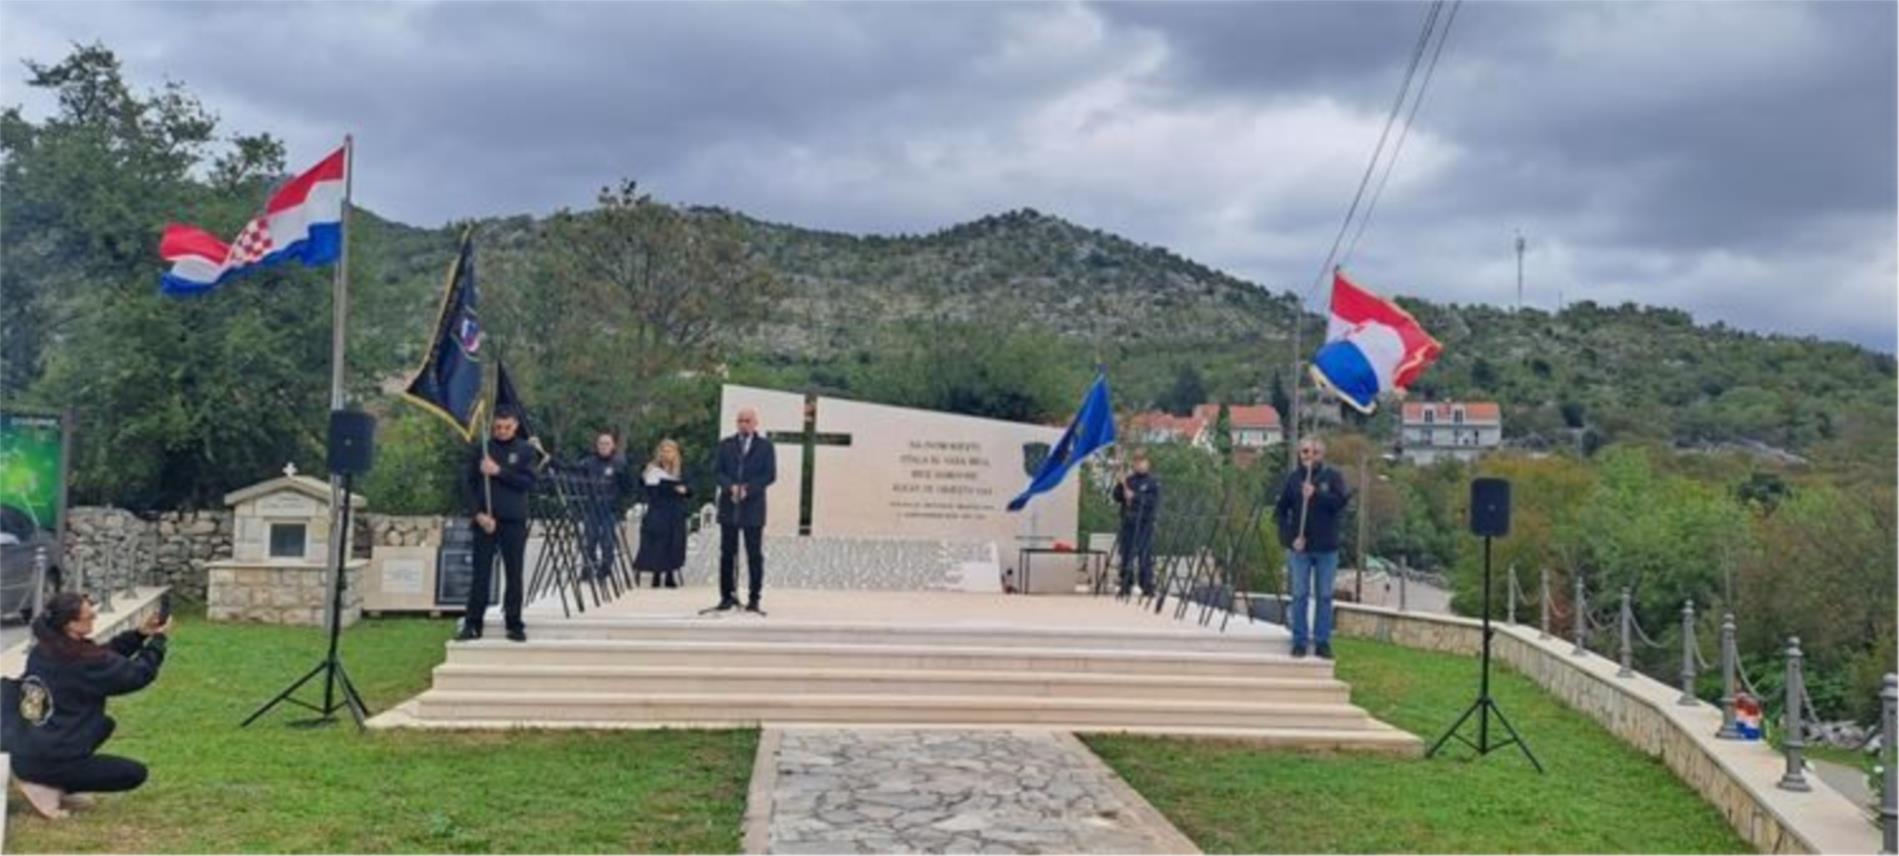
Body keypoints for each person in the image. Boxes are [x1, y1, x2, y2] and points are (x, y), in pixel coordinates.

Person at [4, 592, 168, 819]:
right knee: (134, 774)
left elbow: (102, 656)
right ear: (70, 624)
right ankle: (45, 783)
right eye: (89, 616)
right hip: (49, 758)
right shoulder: (80, 661)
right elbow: (136, 675)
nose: (94, 618)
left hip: (27, 746)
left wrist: (139, 635)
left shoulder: (46, 650)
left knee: (103, 724)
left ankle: (47, 779)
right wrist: (158, 642)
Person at [459, 407, 538, 642]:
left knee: (514, 573)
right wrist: (478, 515)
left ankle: (514, 623)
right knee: (480, 575)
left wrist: (498, 471)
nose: (502, 431)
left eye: (506, 427)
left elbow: (529, 482)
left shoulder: (525, 450)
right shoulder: (481, 449)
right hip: (485, 522)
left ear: (515, 426)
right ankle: (473, 623)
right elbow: (466, 485)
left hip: (513, 521)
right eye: (497, 427)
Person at [1273, 436, 1352, 659]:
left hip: (1326, 548)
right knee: (1299, 594)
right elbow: (1280, 512)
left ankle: (1322, 642)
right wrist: (1290, 539)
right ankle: (1299, 640)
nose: (1309, 456)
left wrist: (1316, 494)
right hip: (1301, 549)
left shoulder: (1333, 477)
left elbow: (1340, 503)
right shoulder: (1292, 479)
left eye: (1314, 452)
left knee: (1324, 596)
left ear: (1322, 455)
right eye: (1305, 452)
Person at [714, 407, 775, 612]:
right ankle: (727, 595)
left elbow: (769, 475)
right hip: (729, 506)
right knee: (727, 553)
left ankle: (754, 598)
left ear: (755, 423)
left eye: (747, 420)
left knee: (754, 554)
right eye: (740, 420)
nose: (743, 424)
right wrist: (730, 486)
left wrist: (747, 489)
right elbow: (718, 471)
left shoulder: (765, 447)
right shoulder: (726, 445)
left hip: (753, 507)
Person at [632, 438, 692, 588]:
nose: (666, 454)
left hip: (675, 509)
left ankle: (670, 574)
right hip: (658, 507)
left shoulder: (682, 469)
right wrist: (645, 475)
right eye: (663, 450)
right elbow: (642, 485)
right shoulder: (653, 468)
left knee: (674, 541)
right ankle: (656, 573)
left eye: (669, 451)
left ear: (675, 453)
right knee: (657, 539)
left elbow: (691, 488)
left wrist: (684, 490)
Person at [573, 431, 633, 581]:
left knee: (607, 541)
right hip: (592, 507)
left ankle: (605, 569)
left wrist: (621, 504)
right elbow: (572, 471)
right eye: (601, 443)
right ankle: (588, 568)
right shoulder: (588, 463)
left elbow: (628, 487)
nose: (604, 446)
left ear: (613, 446)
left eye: (607, 443)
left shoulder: (619, 464)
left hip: (610, 508)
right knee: (590, 540)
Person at [1111, 449, 1162, 597]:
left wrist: (1135, 496)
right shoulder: (1129, 480)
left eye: (1142, 461)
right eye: (1137, 461)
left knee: (1144, 555)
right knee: (1127, 554)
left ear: (1148, 463)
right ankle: (1126, 584)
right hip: (1128, 522)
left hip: (1145, 523)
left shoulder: (1153, 482)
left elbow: (1152, 502)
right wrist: (1121, 486)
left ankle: (1147, 585)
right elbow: (1117, 497)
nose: (1139, 464)